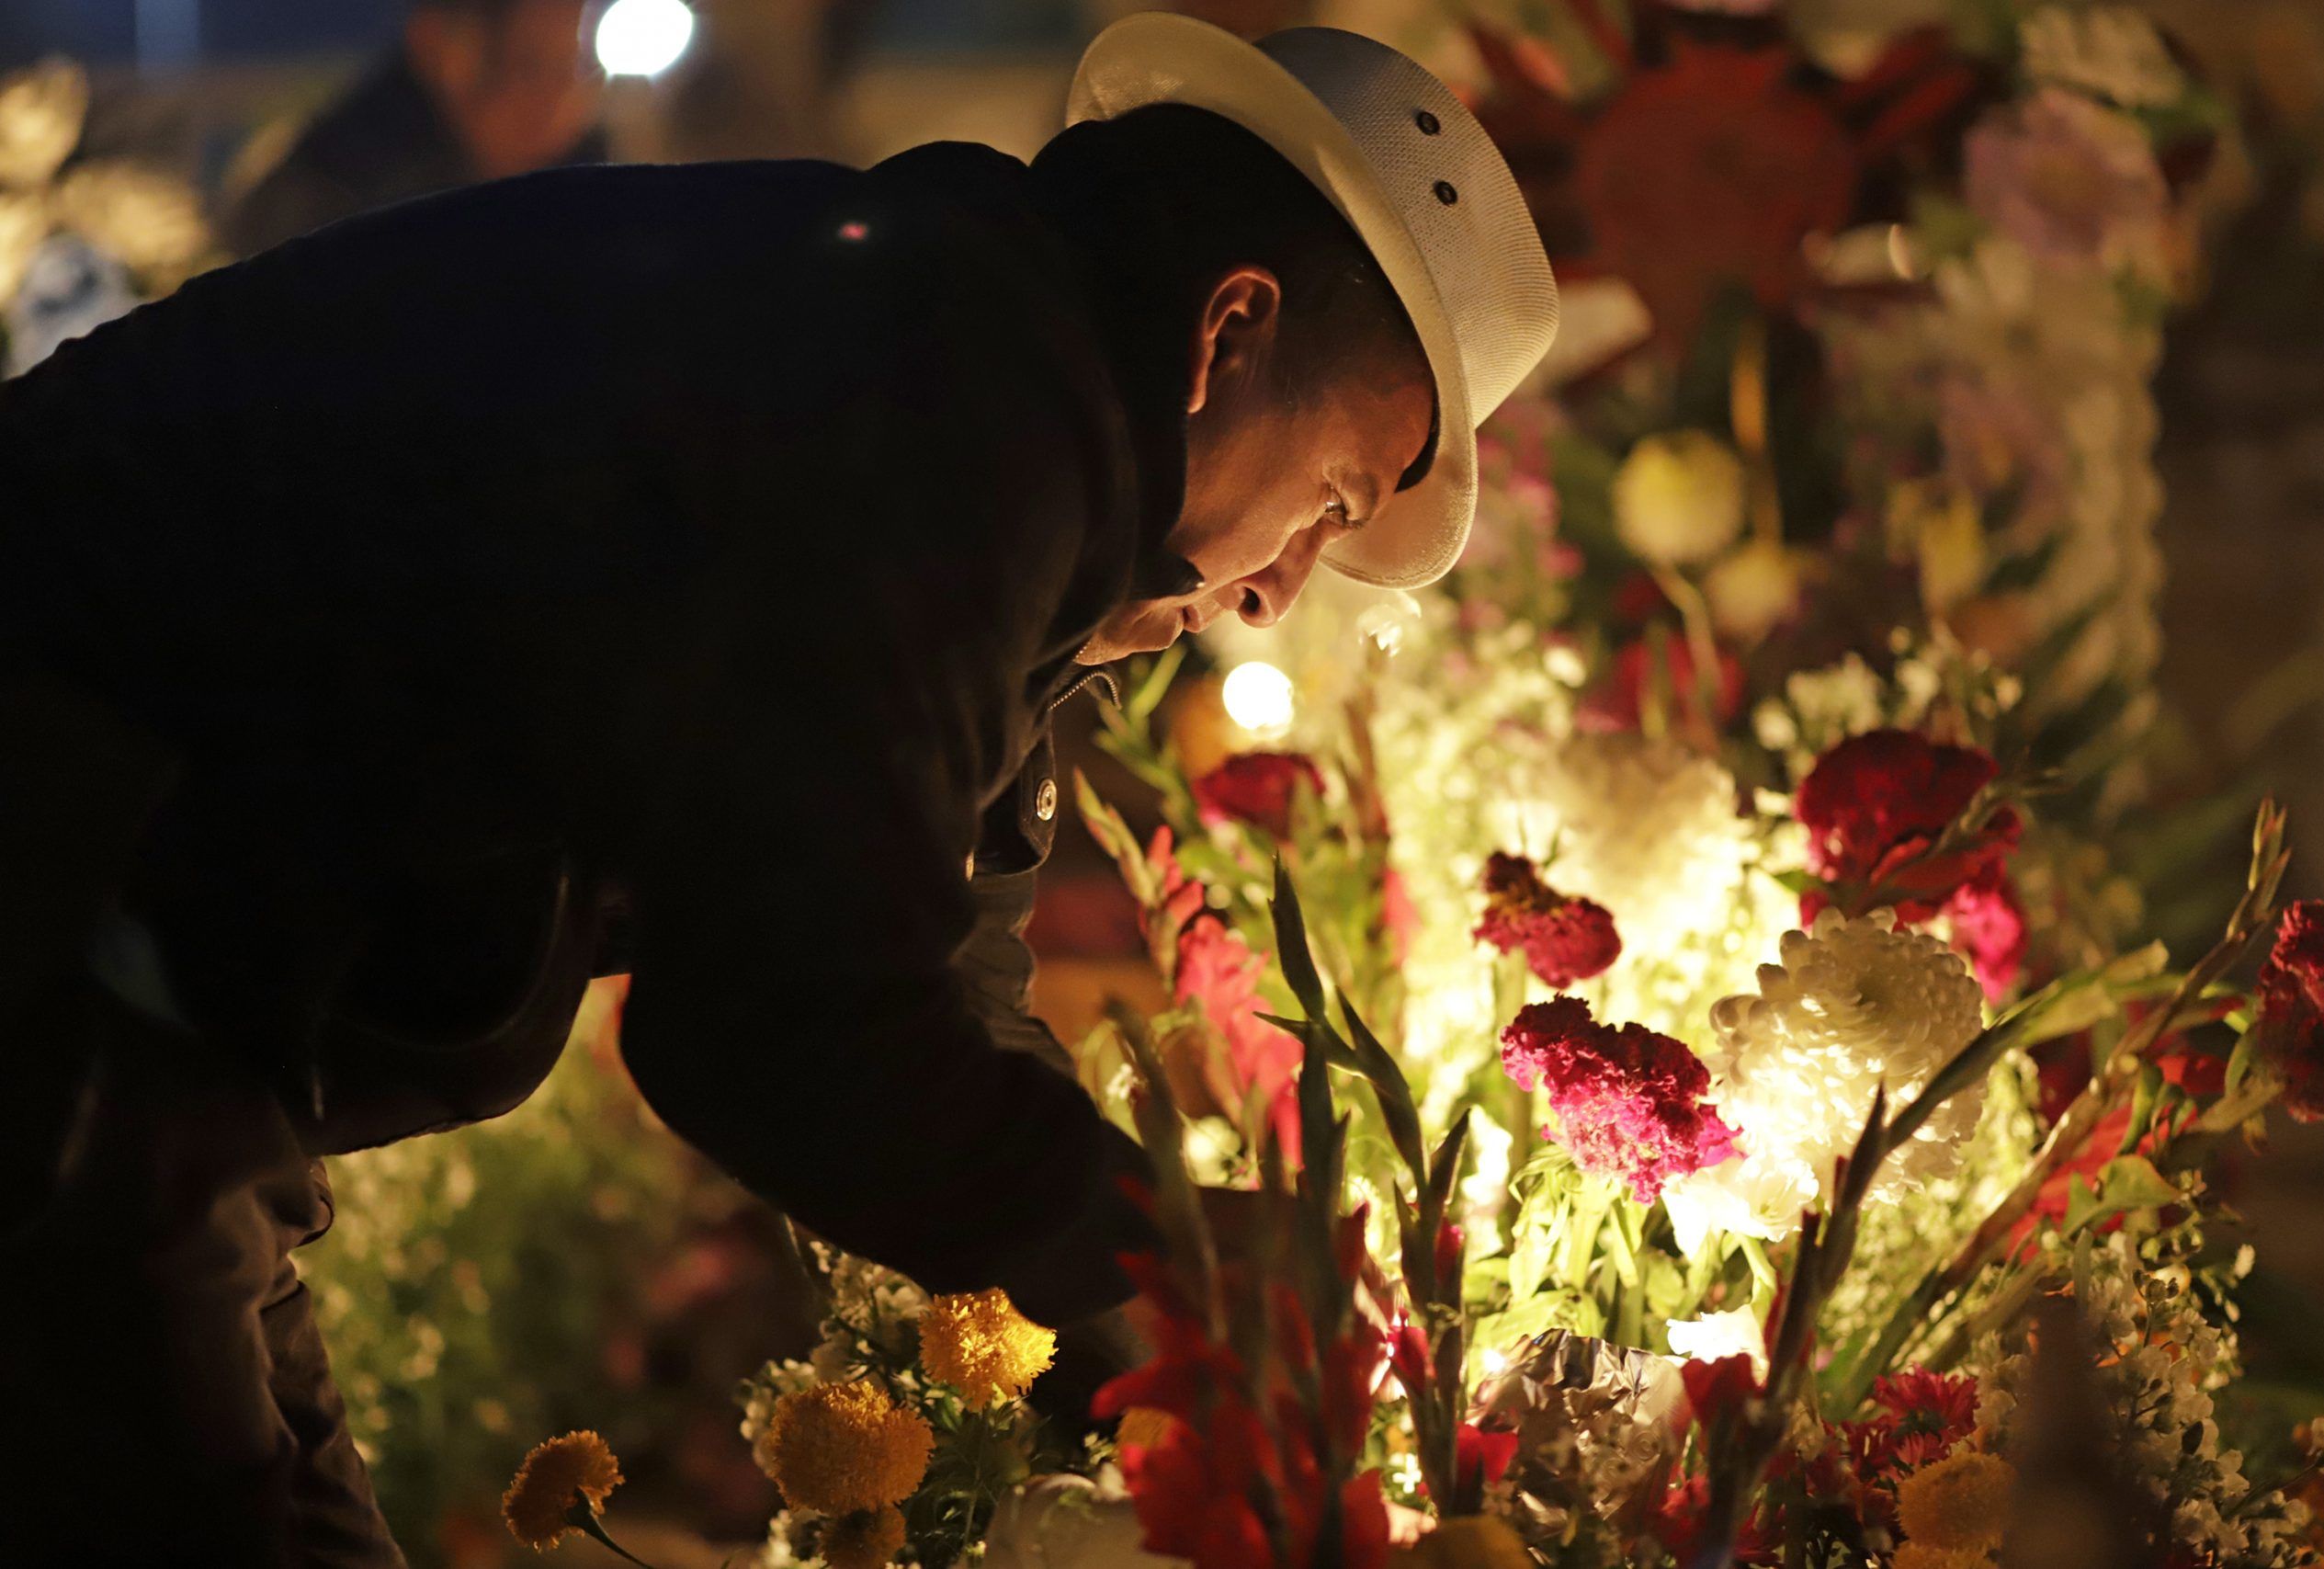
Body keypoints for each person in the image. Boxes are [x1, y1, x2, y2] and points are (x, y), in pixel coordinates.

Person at [0, 15, 1554, 1566]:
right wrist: (1178, 1246)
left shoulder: (975, 378)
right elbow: (776, 1017)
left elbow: (946, 959)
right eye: (1328, 502)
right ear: (1229, 332)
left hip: (167, 1002)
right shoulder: (948, 388)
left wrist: (1137, 1301)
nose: (1281, 592)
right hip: (73, 930)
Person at [224, 0, 606, 257]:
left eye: (572, 66)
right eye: (526, 65)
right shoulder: (324, 201)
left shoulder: (593, 182)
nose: (558, 103)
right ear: (435, 42)